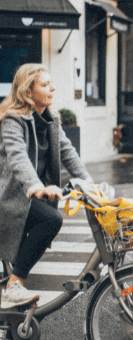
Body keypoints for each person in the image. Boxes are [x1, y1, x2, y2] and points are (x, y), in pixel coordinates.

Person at [0, 64, 92, 308]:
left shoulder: (52, 120)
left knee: (47, 219)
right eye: (44, 84)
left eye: (51, 83)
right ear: (27, 92)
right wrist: (36, 187)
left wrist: (88, 182)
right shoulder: (12, 120)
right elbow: (17, 156)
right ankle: (14, 284)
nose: (52, 88)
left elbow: (67, 151)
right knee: (51, 219)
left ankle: (13, 290)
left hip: (27, 197)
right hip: (10, 197)